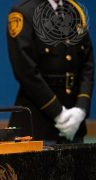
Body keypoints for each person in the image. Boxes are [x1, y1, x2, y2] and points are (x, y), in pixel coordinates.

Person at [7, 0, 94, 144]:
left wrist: (81, 109)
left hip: (74, 124)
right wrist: (58, 113)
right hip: (38, 124)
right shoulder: (23, 13)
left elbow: (87, 65)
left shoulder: (75, 10)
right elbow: (25, 71)